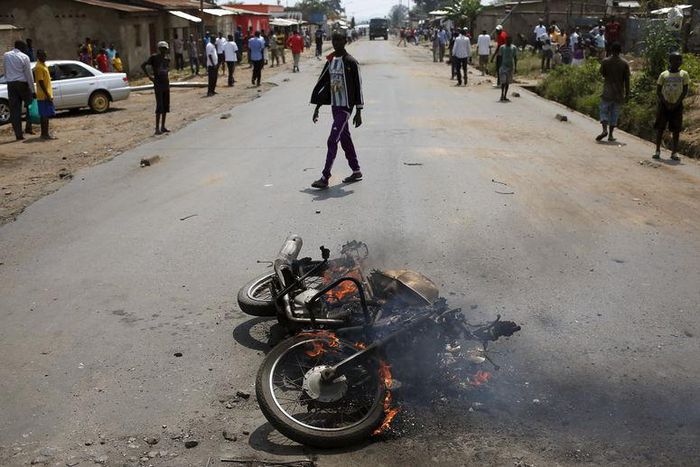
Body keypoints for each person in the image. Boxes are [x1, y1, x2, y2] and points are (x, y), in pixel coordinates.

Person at [309, 32, 364, 189]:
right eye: (334, 40)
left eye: (339, 40)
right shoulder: (331, 60)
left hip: (346, 108)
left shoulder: (351, 62)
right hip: (335, 106)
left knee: (332, 140)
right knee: (345, 139)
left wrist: (359, 110)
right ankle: (356, 170)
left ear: (345, 41)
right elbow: (325, 83)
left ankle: (325, 177)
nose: (336, 43)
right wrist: (317, 107)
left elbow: (358, 87)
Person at [654, 52, 689, 160]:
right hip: (664, 105)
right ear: (670, 61)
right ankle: (657, 150)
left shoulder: (684, 74)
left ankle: (674, 152)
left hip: (677, 106)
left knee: (676, 130)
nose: (678, 62)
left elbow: (684, 91)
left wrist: (677, 103)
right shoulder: (664, 74)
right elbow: (659, 91)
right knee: (660, 128)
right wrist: (666, 102)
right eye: (676, 60)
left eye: (680, 59)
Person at [596, 42, 630, 143]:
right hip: (619, 93)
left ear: (611, 50)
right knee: (614, 114)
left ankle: (604, 130)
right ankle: (610, 135)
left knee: (604, 111)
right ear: (620, 51)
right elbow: (627, 80)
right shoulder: (624, 63)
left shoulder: (606, 61)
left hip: (607, 91)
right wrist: (627, 94)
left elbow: (602, 73)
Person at [3, 40, 35, 141]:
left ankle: (18, 135)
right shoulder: (25, 57)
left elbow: (5, 69)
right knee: (30, 105)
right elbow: (29, 75)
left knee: (15, 110)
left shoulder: (6, 55)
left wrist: (9, 79)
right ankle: (28, 128)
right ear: (22, 47)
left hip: (11, 84)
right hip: (23, 84)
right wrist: (33, 90)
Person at [142, 41, 171, 135]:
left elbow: (167, 70)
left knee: (165, 106)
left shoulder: (167, 59)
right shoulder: (154, 57)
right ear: (159, 49)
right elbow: (143, 65)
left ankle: (163, 126)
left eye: (165, 49)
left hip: (166, 83)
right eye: (162, 48)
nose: (164, 50)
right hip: (158, 84)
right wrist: (150, 77)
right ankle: (157, 128)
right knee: (159, 106)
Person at [33, 49, 56, 140]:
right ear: (38, 56)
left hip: (46, 94)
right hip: (43, 95)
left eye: (45, 55)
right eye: (43, 56)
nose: (44, 57)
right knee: (44, 115)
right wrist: (47, 94)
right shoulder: (38, 67)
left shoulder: (43, 65)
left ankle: (44, 134)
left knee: (45, 114)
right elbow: (40, 81)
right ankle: (45, 134)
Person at [498, 36, 517, 102]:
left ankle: (505, 95)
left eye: (510, 40)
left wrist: (516, 67)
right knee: (503, 82)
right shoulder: (502, 47)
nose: (508, 41)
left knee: (507, 82)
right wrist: (498, 67)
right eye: (507, 40)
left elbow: (515, 58)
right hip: (503, 66)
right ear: (505, 40)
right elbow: (500, 57)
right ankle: (502, 95)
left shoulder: (513, 48)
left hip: (510, 67)